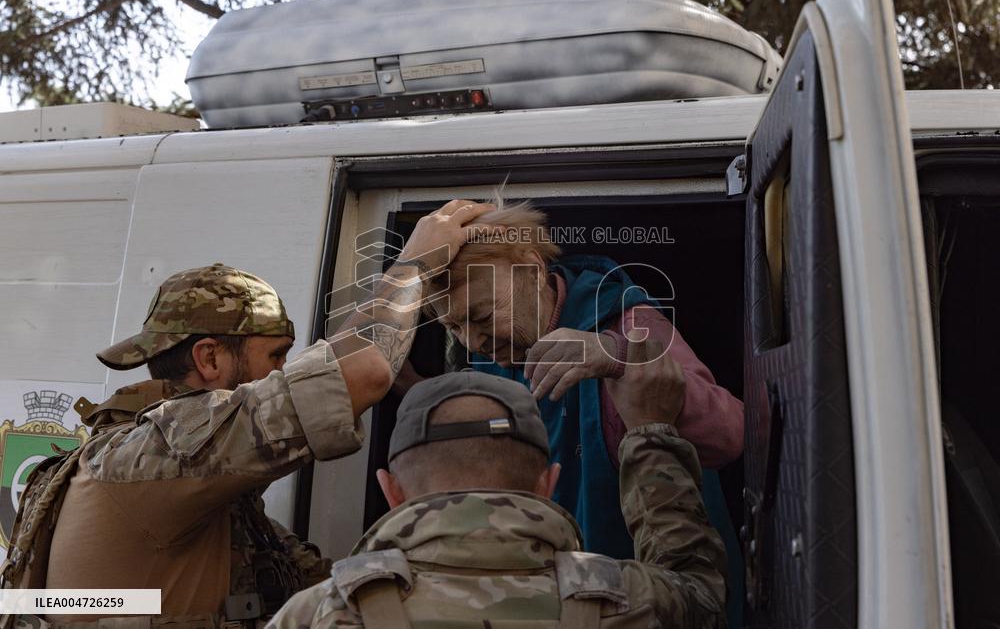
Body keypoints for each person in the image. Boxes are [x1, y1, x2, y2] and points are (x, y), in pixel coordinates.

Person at [0, 199, 493, 627]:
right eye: (276, 357)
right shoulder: (159, 451)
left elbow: (316, 587)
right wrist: (414, 266)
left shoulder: (184, 467)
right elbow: (364, 372)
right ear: (209, 359)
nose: (285, 372)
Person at [414, 200, 744, 622]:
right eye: (454, 328)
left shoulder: (629, 326)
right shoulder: (491, 357)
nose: (472, 341)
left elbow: (732, 432)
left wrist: (620, 359)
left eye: (482, 315)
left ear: (532, 270)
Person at [269, 337, 726, 628]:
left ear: (391, 493)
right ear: (548, 485)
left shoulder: (317, 614)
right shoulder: (633, 600)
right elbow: (702, 594)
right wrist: (650, 434)